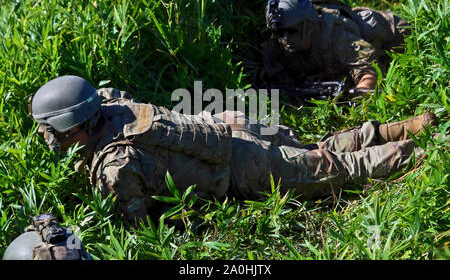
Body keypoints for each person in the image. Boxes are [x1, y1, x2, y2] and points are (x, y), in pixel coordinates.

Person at [29, 75, 436, 222]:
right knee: (318, 150)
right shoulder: (110, 102)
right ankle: (408, 126)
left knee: (337, 170)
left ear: (71, 126)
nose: (49, 139)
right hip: (228, 124)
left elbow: (139, 224)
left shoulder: (115, 168)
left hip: (243, 167)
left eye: (51, 130)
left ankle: (420, 153)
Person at [261, 0, 411, 95]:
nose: (286, 38)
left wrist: (360, 92)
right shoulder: (276, 43)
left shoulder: (335, 35)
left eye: (293, 30)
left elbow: (369, 69)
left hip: (394, 36)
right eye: (280, 32)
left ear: (308, 24)